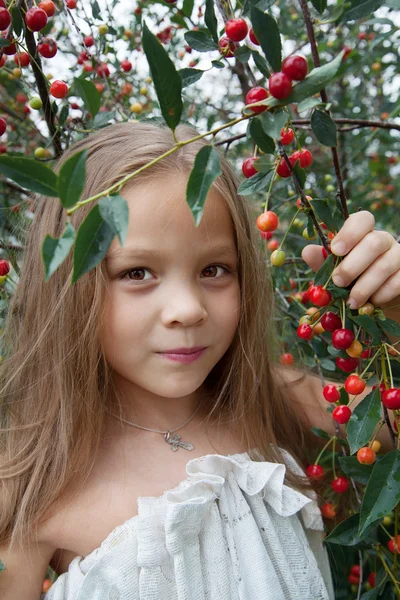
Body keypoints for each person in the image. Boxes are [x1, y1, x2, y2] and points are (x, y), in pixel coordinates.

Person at [1, 121, 399, 600]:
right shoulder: (28, 484)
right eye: (137, 272)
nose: (188, 309)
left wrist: (395, 313)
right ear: (68, 286)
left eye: (214, 270)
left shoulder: (268, 399)